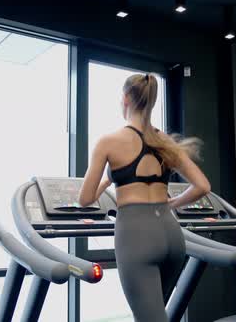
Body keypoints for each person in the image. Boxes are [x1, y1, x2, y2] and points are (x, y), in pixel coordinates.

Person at [78, 73, 211, 322]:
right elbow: (203, 186)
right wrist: (172, 203)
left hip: (137, 237)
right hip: (172, 236)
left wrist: (110, 176)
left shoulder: (109, 141)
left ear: (126, 98)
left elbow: (85, 199)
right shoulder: (164, 142)